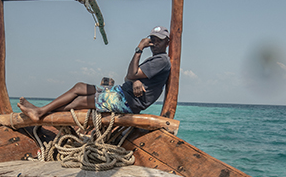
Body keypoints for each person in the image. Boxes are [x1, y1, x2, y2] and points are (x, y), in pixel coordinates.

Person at [18, 26, 171, 120]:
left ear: (167, 42)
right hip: (121, 92)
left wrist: (139, 49)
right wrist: (135, 80)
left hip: (128, 102)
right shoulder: (154, 60)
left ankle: (40, 112)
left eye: (159, 40)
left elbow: (131, 74)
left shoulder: (162, 60)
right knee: (79, 87)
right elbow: (128, 76)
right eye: (153, 39)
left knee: (79, 102)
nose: (155, 43)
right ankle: (40, 110)